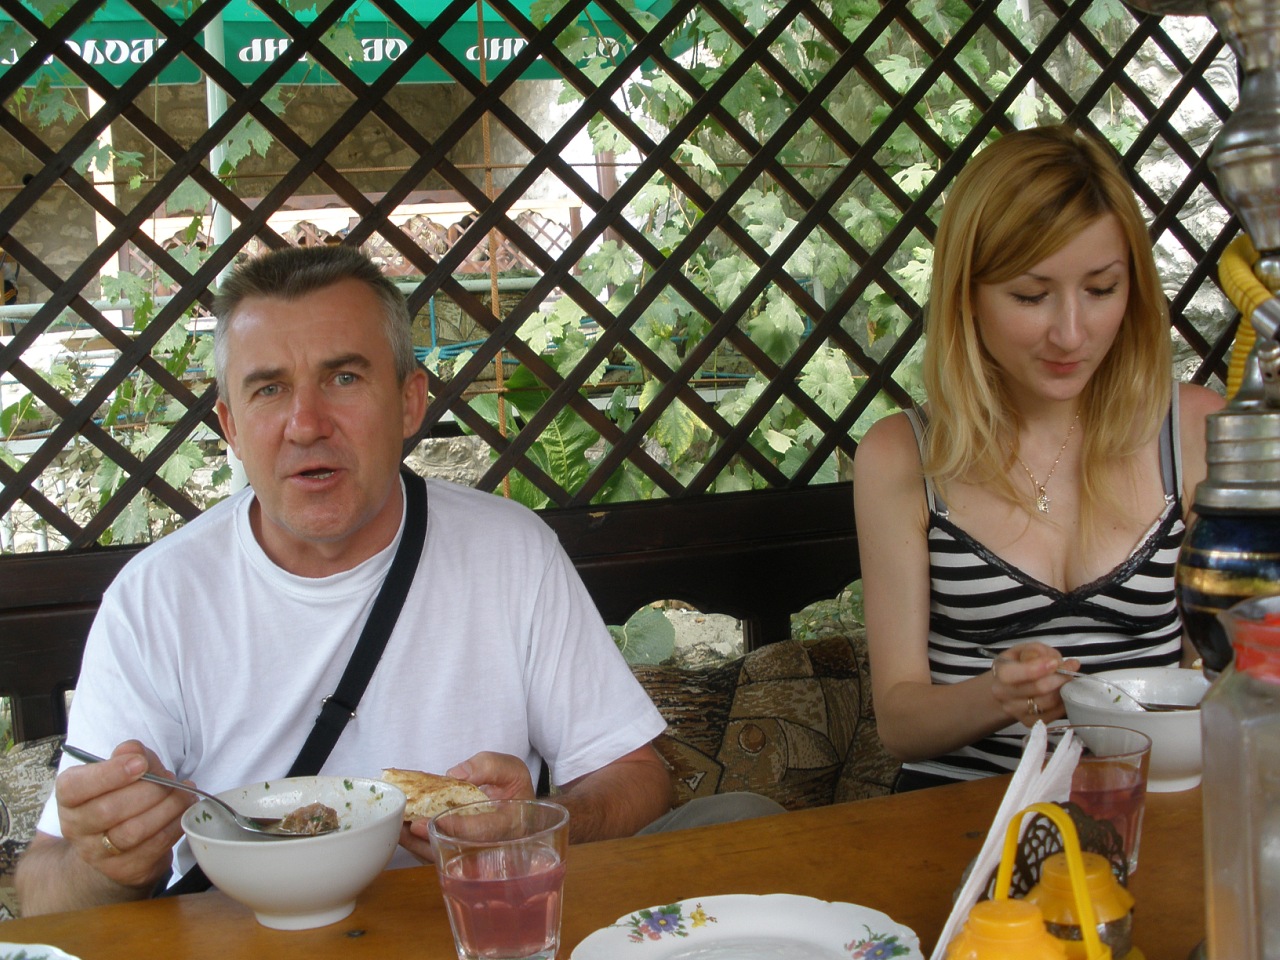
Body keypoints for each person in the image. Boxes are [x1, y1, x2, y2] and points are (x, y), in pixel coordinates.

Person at [17, 245, 782, 915]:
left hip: (470, 926)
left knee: (745, 819)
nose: (306, 423)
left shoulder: (509, 552)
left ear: (410, 401)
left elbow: (634, 776)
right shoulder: (158, 598)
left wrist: (538, 824)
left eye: (344, 377)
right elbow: (46, 888)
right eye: (268, 388)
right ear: (230, 426)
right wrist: (104, 862)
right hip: (247, 942)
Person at [853, 125, 1224, 791]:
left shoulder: (1193, 432)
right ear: (967, 295)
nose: (1071, 333)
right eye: (1031, 295)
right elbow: (900, 723)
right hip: (961, 817)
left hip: (1147, 807)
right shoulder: (900, 455)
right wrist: (997, 695)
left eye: (1101, 289)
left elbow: (1228, 672)